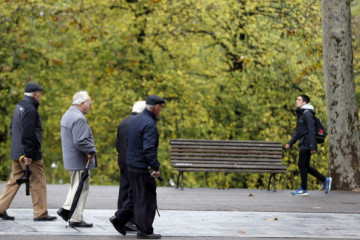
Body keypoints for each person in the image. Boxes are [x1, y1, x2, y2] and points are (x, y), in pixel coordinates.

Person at [110, 95, 165, 239]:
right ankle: (145, 230)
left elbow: (128, 142)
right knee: (146, 200)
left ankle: (119, 219)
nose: (161, 110)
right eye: (161, 107)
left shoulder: (136, 120)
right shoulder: (149, 124)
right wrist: (155, 167)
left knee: (135, 197)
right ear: (157, 107)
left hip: (132, 166)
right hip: (142, 167)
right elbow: (148, 149)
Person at [0, 83, 57, 221]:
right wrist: (29, 154)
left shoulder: (19, 106)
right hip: (28, 155)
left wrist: (19, 150)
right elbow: (28, 133)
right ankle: (40, 213)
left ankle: (0, 208)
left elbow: (13, 129)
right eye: (40, 93)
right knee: (38, 182)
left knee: (14, 181)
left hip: (17, 152)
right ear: (35, 94)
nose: (41, 95)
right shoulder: (31, 110)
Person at [57, 91, 97, 228]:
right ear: (82, 103)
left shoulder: (68, 114)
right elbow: (80, 141)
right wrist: (92, 149)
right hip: (79, 160)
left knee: (76, 186)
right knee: (81, 188)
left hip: (71, 159)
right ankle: (74, 217)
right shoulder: (78, 118)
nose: (90, 107)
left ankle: (68, 211)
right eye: (89, 104)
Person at [286, 94, 332, 196]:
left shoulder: (307, 114)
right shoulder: (303, 114)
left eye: (299, 100)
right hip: (304, 142)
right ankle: (325, 180)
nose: (296, 101)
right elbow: (299, 132)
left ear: (304, 103)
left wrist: (312, 147)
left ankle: (304, 188)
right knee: (305, 166)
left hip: (307, 143)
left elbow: (311, 130)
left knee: (302, 165)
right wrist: (290, 143)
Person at [115, 100, 146, 231]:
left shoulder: (123, 122)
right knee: (134, 192)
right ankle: (130, 220)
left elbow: (117, 144)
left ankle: (121, 217)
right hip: (133, 163)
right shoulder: (139, 123)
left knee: (124, 190)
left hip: (122, 160)